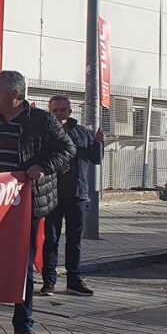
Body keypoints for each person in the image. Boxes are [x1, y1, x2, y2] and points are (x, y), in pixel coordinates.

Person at [0, 71, 74, 334]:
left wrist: (42, 167)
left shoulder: (41, 120)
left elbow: (66, 148)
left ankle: (23, 328)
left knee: (23, 267)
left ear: (14, 94)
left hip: (26, 205)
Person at [41, 95, 103, 298]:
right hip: (52, 193)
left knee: (74, 240)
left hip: (77, 194)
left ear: (69, 111)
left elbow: (95, 159)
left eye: (63, 109)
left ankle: (74, 280)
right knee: (51, 239)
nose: (60, 113)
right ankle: (48, 281)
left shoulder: (81, 132)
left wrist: (98, 144)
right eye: (55, 110)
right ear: (50, 112)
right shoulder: (46, 132)